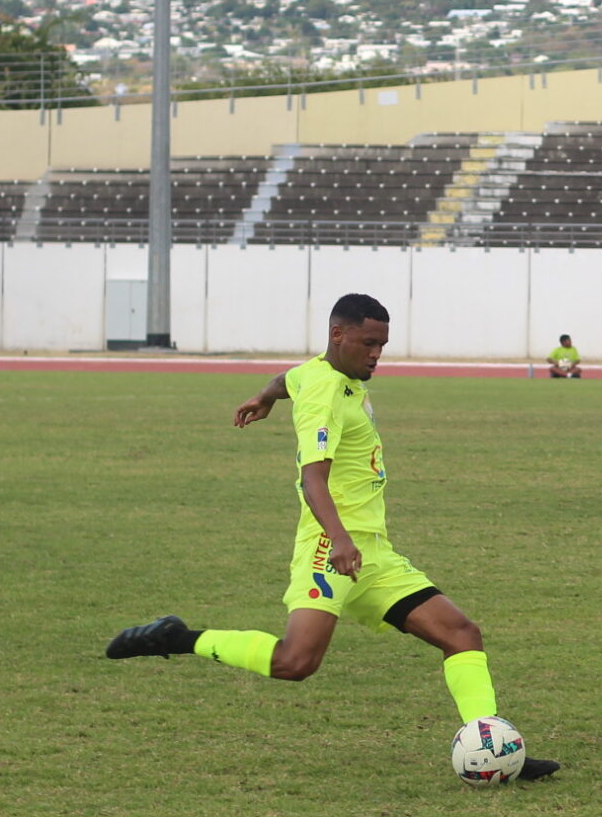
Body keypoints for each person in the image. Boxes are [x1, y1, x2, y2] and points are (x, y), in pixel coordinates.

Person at [105, 292, 559, 779]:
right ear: (338, 335)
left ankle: (490, 746)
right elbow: (312, 478)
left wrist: (264, 397)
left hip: (371, 552)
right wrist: (340, 540)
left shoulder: (323, 375)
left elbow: (288, 379)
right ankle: (180, 637)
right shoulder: (323, 394)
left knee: (462, 634)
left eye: (383, 345)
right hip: (331, 548)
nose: (376, 355)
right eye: (368, 343)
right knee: (295, 662)